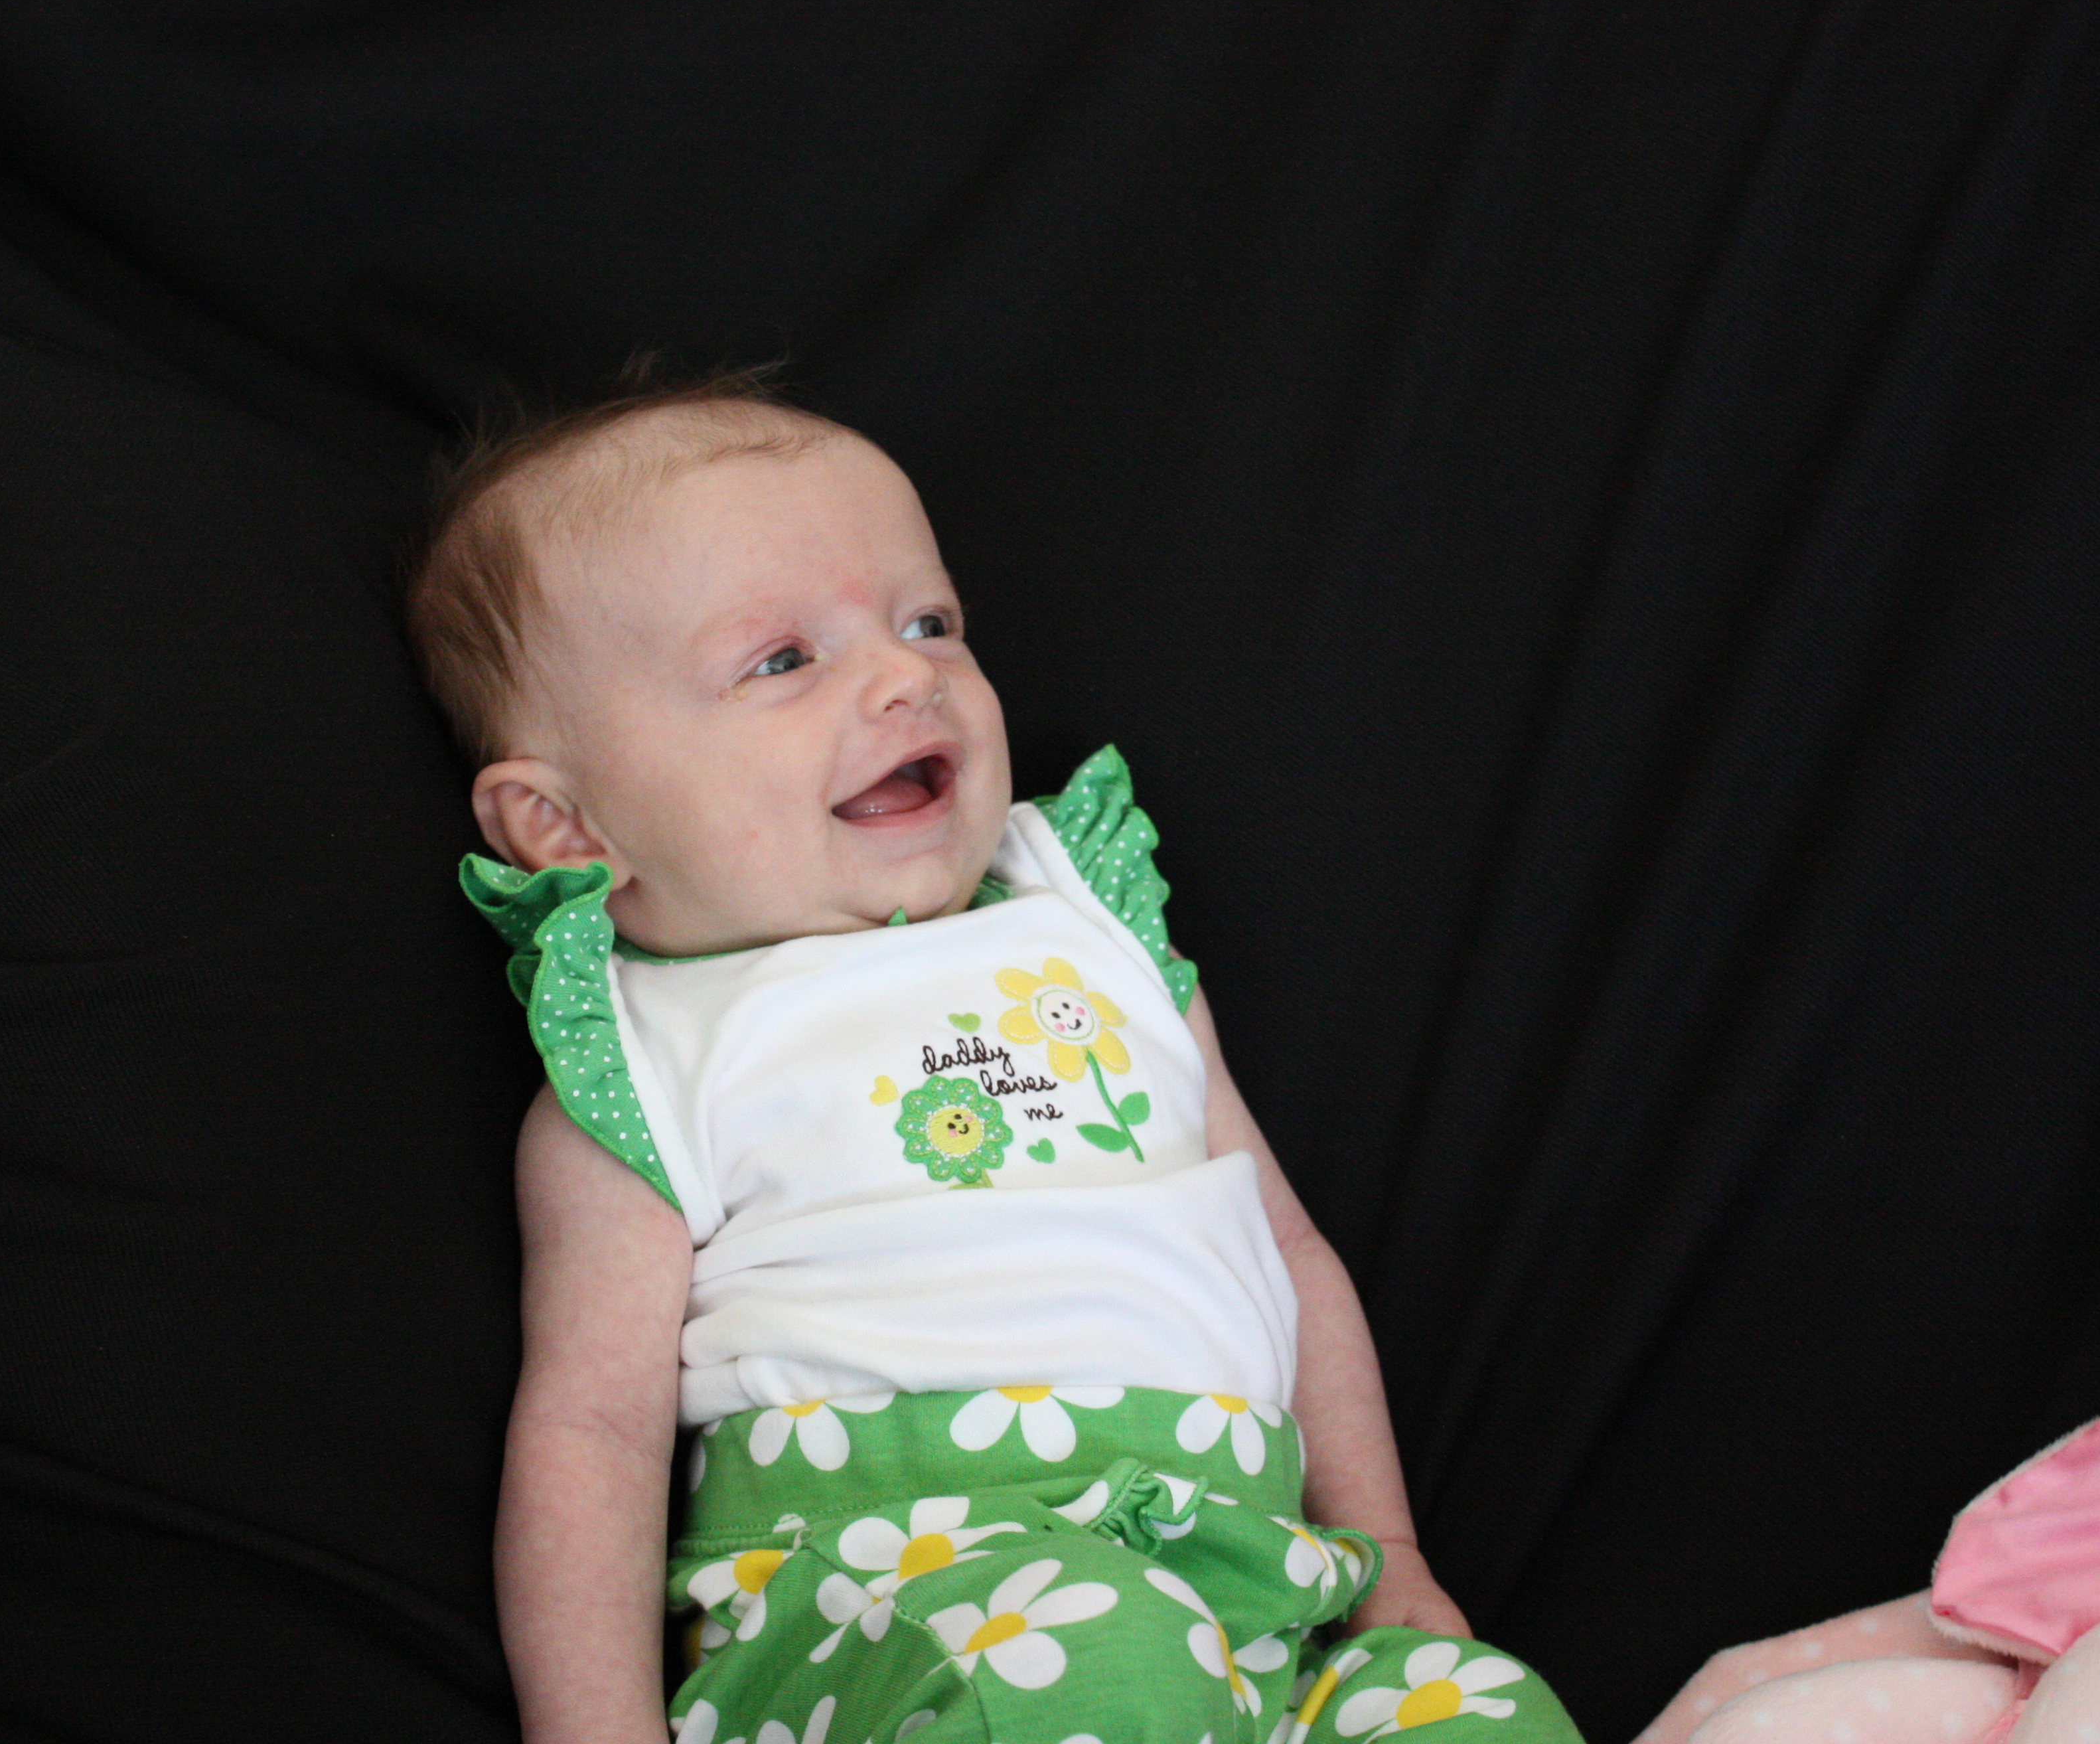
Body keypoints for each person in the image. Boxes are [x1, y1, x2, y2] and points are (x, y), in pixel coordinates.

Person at [411, 371, 1580, 1744]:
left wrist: (1390, 1554)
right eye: (783, 660)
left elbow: (1286, 1250)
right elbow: (592, 1430)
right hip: (891, 1590)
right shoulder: (652, 1055)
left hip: (1248, 1574)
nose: (908, 675)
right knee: (1101, 1656)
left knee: (1477, 1708)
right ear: (567, 828)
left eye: (931, 623)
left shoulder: (1090, 927)